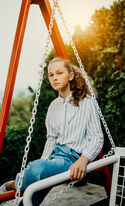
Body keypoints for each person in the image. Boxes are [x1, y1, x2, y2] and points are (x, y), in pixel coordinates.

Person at [0, 57, 104, 205]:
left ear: (71, 76)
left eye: (59, 73)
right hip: (55, 158)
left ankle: (10, 185)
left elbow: (97, 138)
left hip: (73, 159)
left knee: (36, 169)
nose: (54, 78)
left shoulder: (87, 102)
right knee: (35, 190)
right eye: (51, 75)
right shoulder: (53, 106)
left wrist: (83, 159)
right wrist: (45, 162)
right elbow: (51, 139)